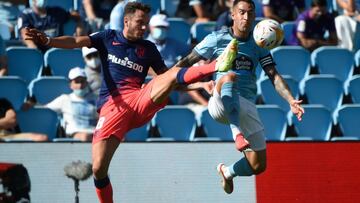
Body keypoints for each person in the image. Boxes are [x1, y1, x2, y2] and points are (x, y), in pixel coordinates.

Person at [24, 2, 238, 202]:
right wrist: (49, 41)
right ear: (126, 21)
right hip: (113, 109)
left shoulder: (149, 49)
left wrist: (200, 84)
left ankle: (215, 65)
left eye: (146, 22)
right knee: (99, 169)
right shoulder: (108, 37)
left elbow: (168, 79)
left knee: (170, 73)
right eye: (140, 22)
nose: (145, 27)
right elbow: (76, 41)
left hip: (138, 101)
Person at [176, 0, 304, 194]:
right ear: (233, 14)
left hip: (245, 106)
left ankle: (227, 172)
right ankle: (237, 134)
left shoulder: (259, 43)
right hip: (219, 101)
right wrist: (165, 78)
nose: (246, 17)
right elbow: (185, 63)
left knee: (258, 165)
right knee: (229, 76)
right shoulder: (216, 38)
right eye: (242, 12)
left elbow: (274, 76)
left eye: (250, 13)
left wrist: (291, 100)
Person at [45, 67, 98, 142]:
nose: (80, 85)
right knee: (85, 137)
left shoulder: (96, 99)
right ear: (70, 84)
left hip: (95, 133)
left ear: (86, 83)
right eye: (76, 82)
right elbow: (45, 109)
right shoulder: (65, 99)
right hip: (74, 135)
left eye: (82, 81)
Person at [18, 0, 85, 52]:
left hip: (60, 50)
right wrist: (34, 49)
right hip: (40, 52)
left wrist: (80, 26)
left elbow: (75, 16)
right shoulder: (26, 15)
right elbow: (25, 33)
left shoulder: (57, 11)